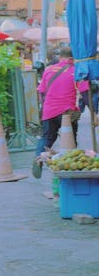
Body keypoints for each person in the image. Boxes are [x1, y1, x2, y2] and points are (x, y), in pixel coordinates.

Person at [32, 45, 91, 178]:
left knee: (47, 137)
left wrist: (45, 107)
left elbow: (41, 92)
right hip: (68, 112)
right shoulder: (76, 71)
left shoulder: (48, 70)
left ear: (60, 57)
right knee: (71, 137)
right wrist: (93, 112)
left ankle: (38, 159)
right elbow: (84, 92)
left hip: (48, 110)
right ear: (72, 58)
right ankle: (71, 165)